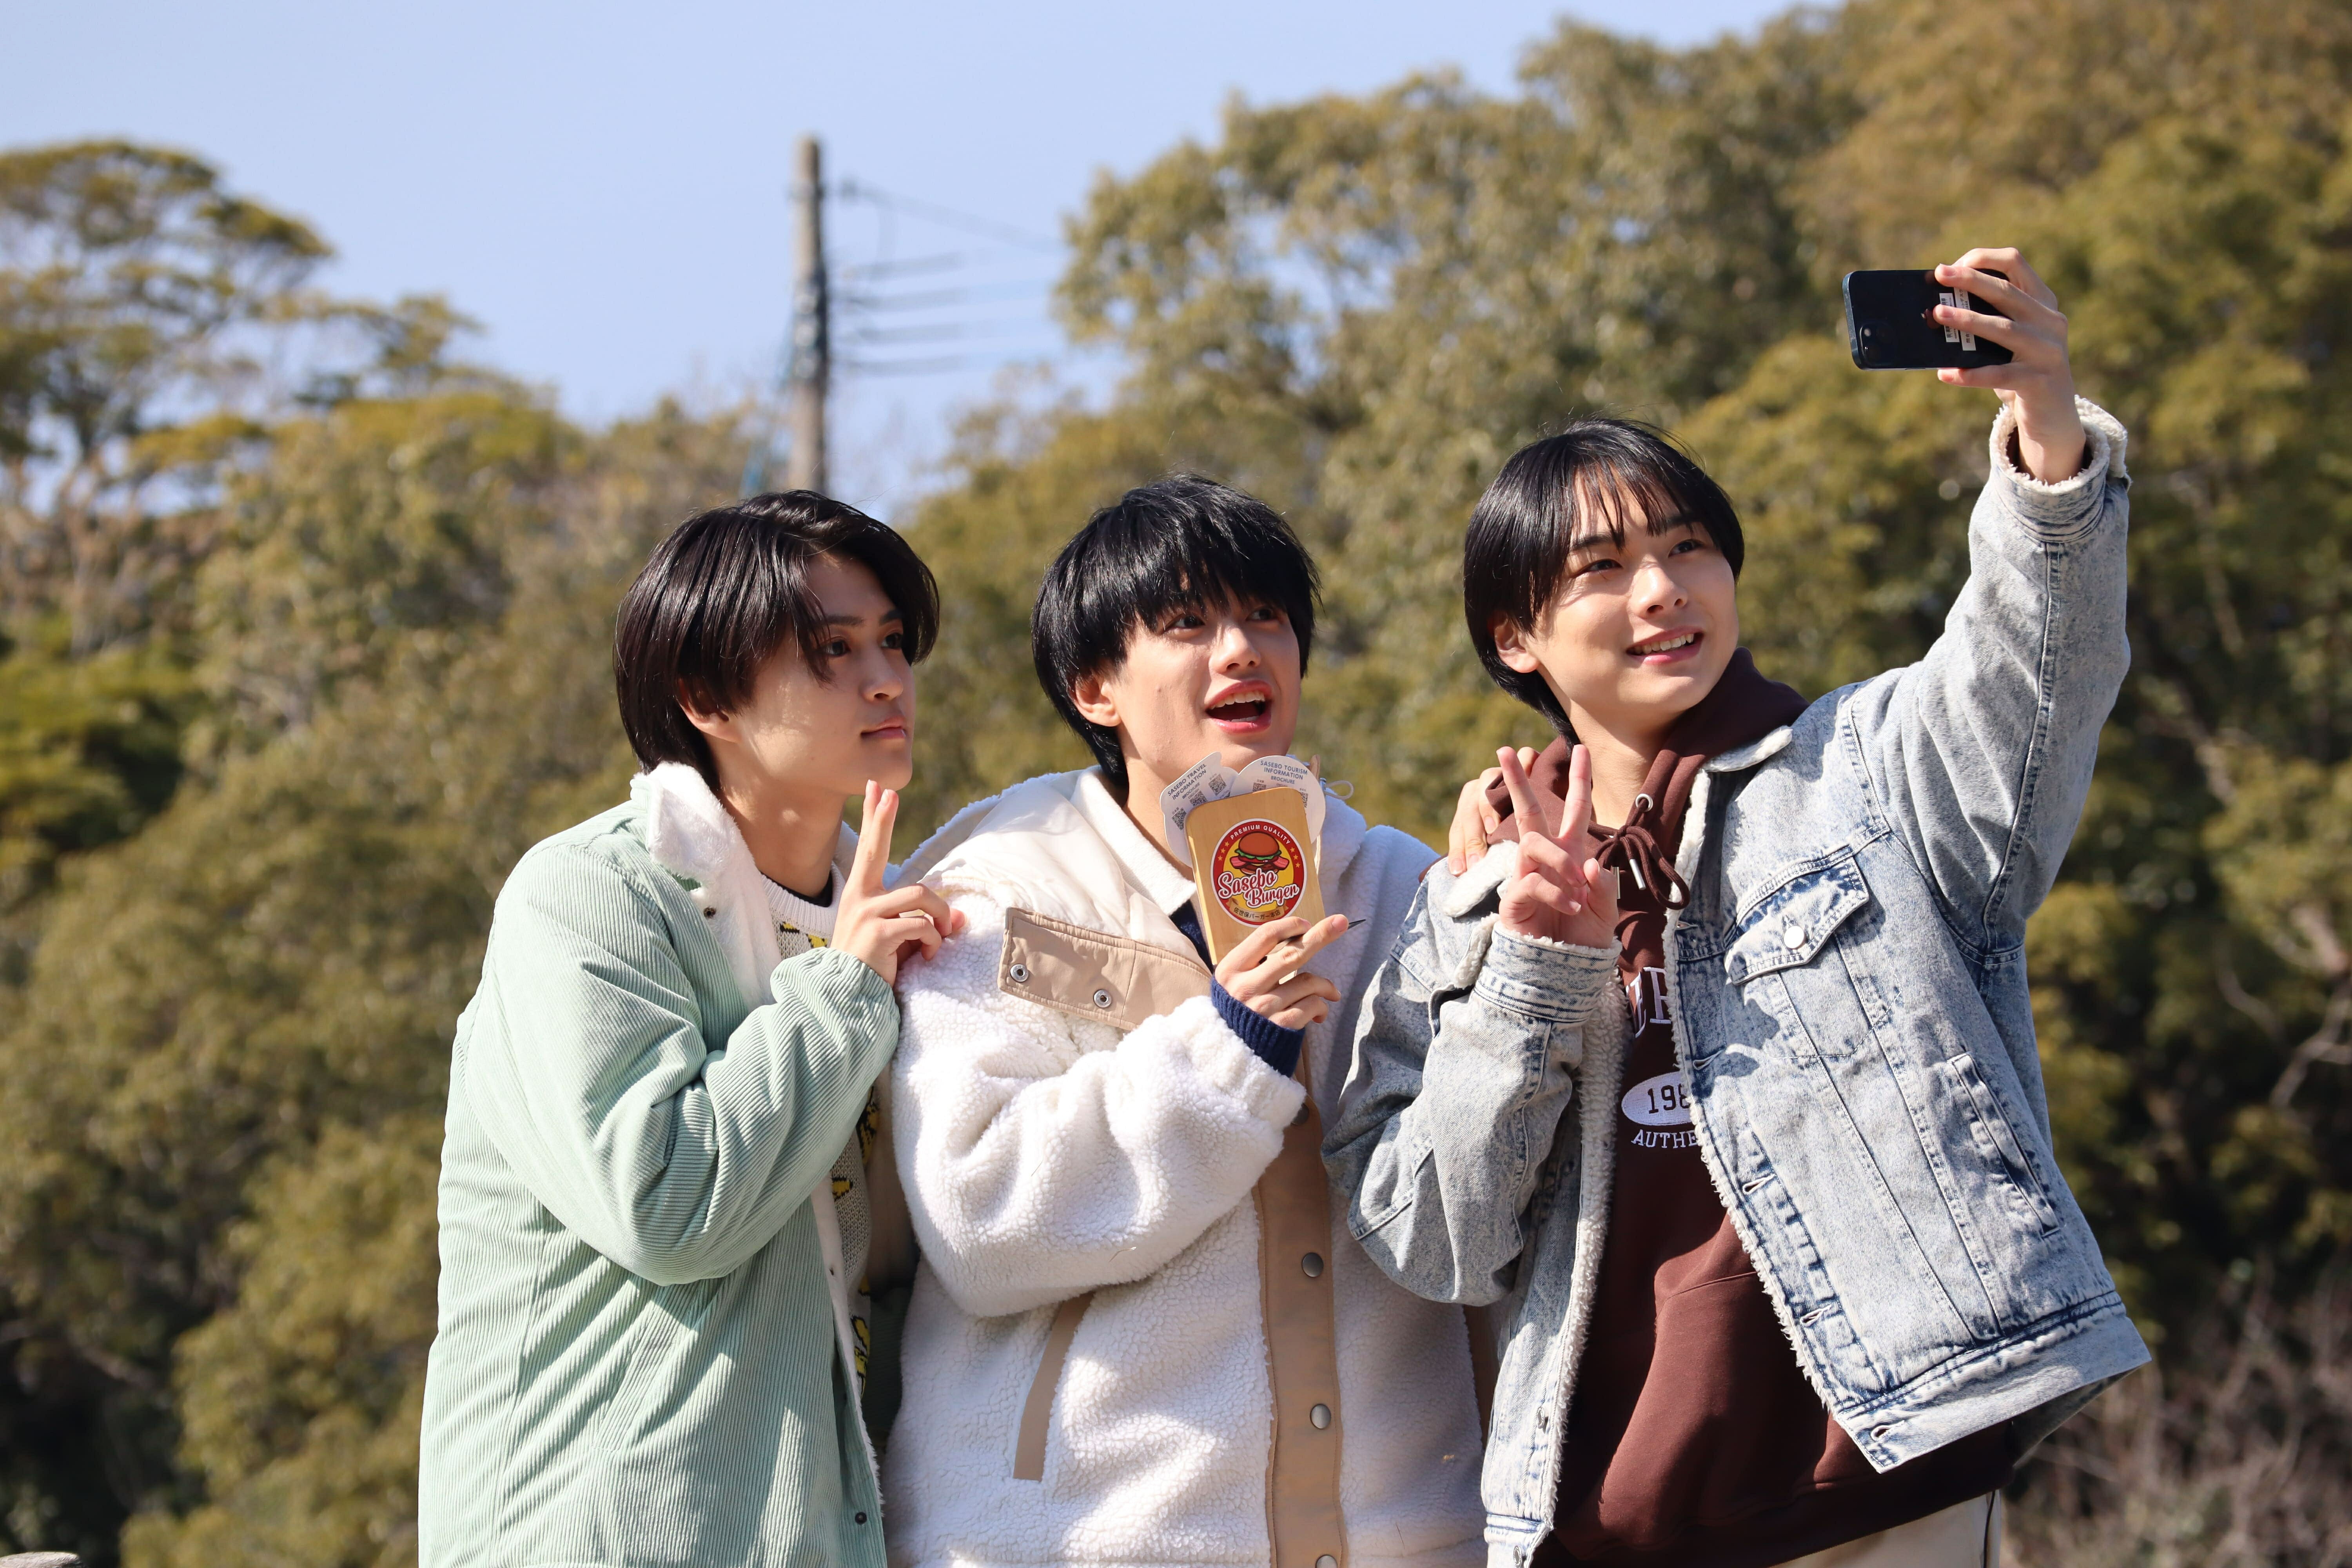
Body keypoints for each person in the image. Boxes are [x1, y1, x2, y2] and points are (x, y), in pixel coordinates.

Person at [1325, 249, 2151, 1568]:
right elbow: (1434, 1243)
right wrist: (1532, 976)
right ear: (1514, 636)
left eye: (1689, 549)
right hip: (1607, 1521)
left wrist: (2046, 436)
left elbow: (2036, 665)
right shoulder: (1470, 901)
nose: (1662, 590)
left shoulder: (1868, 768)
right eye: (1603, 568)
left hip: (1891, 1481)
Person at [878, 477, 1488, 1568]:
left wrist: (1522, 936)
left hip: (1412, 1539)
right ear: (1094, 687)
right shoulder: (999, 897)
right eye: (1188, 624)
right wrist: (1230, 1045)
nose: (1242, 650)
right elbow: (981, 1218)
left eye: (1267, 617)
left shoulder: (1406, 886)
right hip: (1077, 1543)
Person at [417, 492, 960, 1568]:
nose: (886, 677)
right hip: (594, 1535)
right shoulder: (590, 893)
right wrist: (844, 990)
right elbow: (666, 1204)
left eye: (893, 641)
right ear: (707, 695)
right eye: (833, 649)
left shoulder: (895, 918)